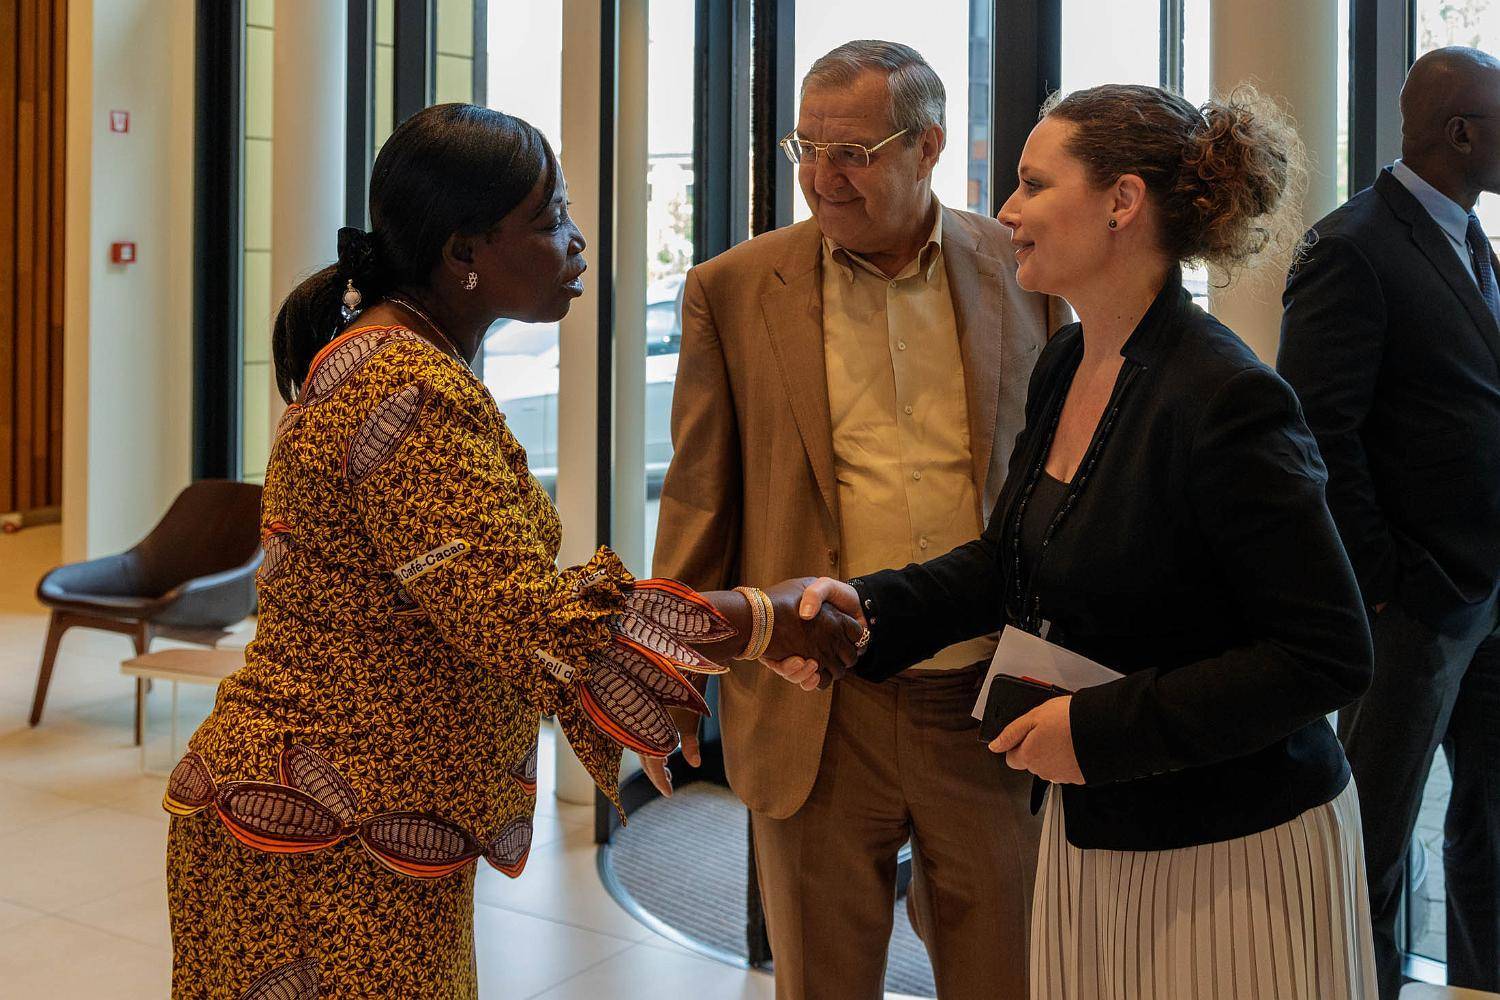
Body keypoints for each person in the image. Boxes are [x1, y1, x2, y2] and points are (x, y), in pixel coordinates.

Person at [161, 103, 861, 999]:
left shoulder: (399, 361)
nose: (575, 242)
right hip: (321, 835)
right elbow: (536, 624)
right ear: (464, 253)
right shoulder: (405, 389)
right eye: (549, 219)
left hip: (340, 815)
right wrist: (766, 618)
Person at [784, 83, 1380, 999]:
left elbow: (1327, 655)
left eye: (1033, 184)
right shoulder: (1068, 359)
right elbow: (1006, 563)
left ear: (1121, 202)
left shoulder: (1227, 397)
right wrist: (869, 607)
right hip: (1097, 827)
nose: (1007, 210)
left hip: (1232, 851)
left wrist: (1096, 733)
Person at [648, 39, 1060, 1000]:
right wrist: (672, 662)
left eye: (853, 154)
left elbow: (1054, 476)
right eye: (808, 148)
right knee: (822, 980)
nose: (821, 177)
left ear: (928, 147)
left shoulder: (1022, 271)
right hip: (816, 705)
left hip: (984, 700)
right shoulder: (732, 289)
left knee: (1007, 973)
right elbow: (701, 498)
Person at [1278, 45, 1500, 999]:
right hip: (1411, 609)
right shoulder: (1351, 246)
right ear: (1463, 133)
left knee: (1490, 832)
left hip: (1486, 597)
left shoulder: (1469, 237)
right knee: (1368, 843)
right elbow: (1317, 437)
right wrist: (1386, 585)